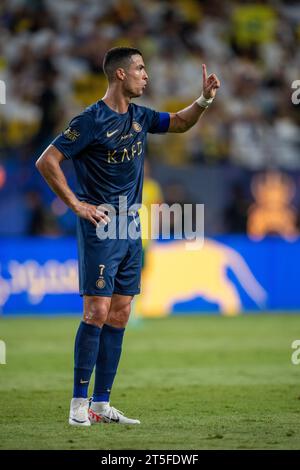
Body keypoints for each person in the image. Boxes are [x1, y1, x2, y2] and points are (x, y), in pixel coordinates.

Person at [35, 47, 220, 426]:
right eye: (139, 68)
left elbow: (181, 123)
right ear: (120, 74)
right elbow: (47, 160)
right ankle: (76, 406)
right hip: (102, 226)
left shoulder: (140, 117)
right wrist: (77, 205)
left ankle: (101, 405)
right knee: (97, 311)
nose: (146, 75)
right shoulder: (90, 120)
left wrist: (203, 100)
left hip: (132, 227)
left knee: (120, 313)